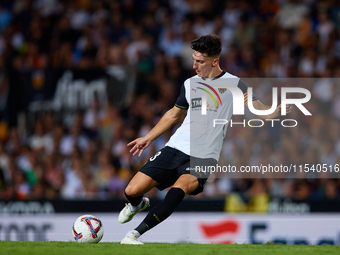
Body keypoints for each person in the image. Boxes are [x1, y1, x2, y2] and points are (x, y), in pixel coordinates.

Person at [119, 34, 292, 244]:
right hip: (175, 147)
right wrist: (148, 137)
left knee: (177, 191)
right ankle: (136, 205)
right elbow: (174, 114)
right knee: (131, 190)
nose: (194, 65)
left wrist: (277, 111)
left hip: (204, 157)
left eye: (199, 61)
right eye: (194, 59)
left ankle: (134, 235)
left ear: (215, 61)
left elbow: (259, 108)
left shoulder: (235, 84)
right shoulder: (190, 83)